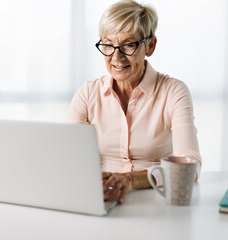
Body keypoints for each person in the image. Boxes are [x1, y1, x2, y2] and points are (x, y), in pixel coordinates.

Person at [68, 0, 202, 204]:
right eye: (108, 45)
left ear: (150, 45)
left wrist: (130, 180)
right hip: (101, 199)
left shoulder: (173, 91)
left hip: (156, 201)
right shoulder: (86, 95)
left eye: (128, 45)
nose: (117, 57)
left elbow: (190, 166)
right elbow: (70, 160)